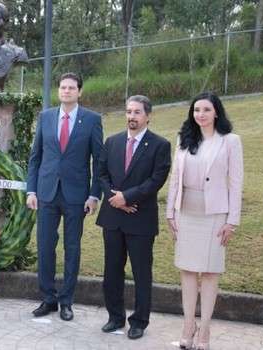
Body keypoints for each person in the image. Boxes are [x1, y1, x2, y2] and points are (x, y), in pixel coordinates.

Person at [166, 92, 243, 350]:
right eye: (196, 109)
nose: (201, 114)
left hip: (215, 216)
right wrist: (170, 212)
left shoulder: (231, 141)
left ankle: (205, 331)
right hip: (186, 212)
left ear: (216, 112)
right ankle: (188, 327)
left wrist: (232, 221)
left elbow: (235, 182)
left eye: (206, 109)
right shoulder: (184, 139)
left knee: (210, 273)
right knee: (187, 271)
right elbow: (175, 178)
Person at [26, 72, 103, 321]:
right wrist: (31, 190)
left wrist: (94, 195)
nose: (66, 91)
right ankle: (47, 298)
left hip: (76, 196)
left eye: (71, 88)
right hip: (47, 192)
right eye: (63, 87)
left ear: (79, 92)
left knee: (72, 248)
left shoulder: (92, 120)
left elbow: (98, 161)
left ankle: (66, 301)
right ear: (58, 91)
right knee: (45, 246)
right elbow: (35, 157)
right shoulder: (46, 117)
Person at [96, 95, 171, 340]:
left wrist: (127, 198)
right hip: (113, 218)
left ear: (148, 116)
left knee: (141, 273)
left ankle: (139, 321)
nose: (132, 117)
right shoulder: (113, 141)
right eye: (129, 112)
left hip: (140, 219)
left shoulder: (160, 145)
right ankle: (115, 316)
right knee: (112, 271)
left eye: (137, 112)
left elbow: (155, 181)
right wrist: (116, 200)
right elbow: (101, 174)